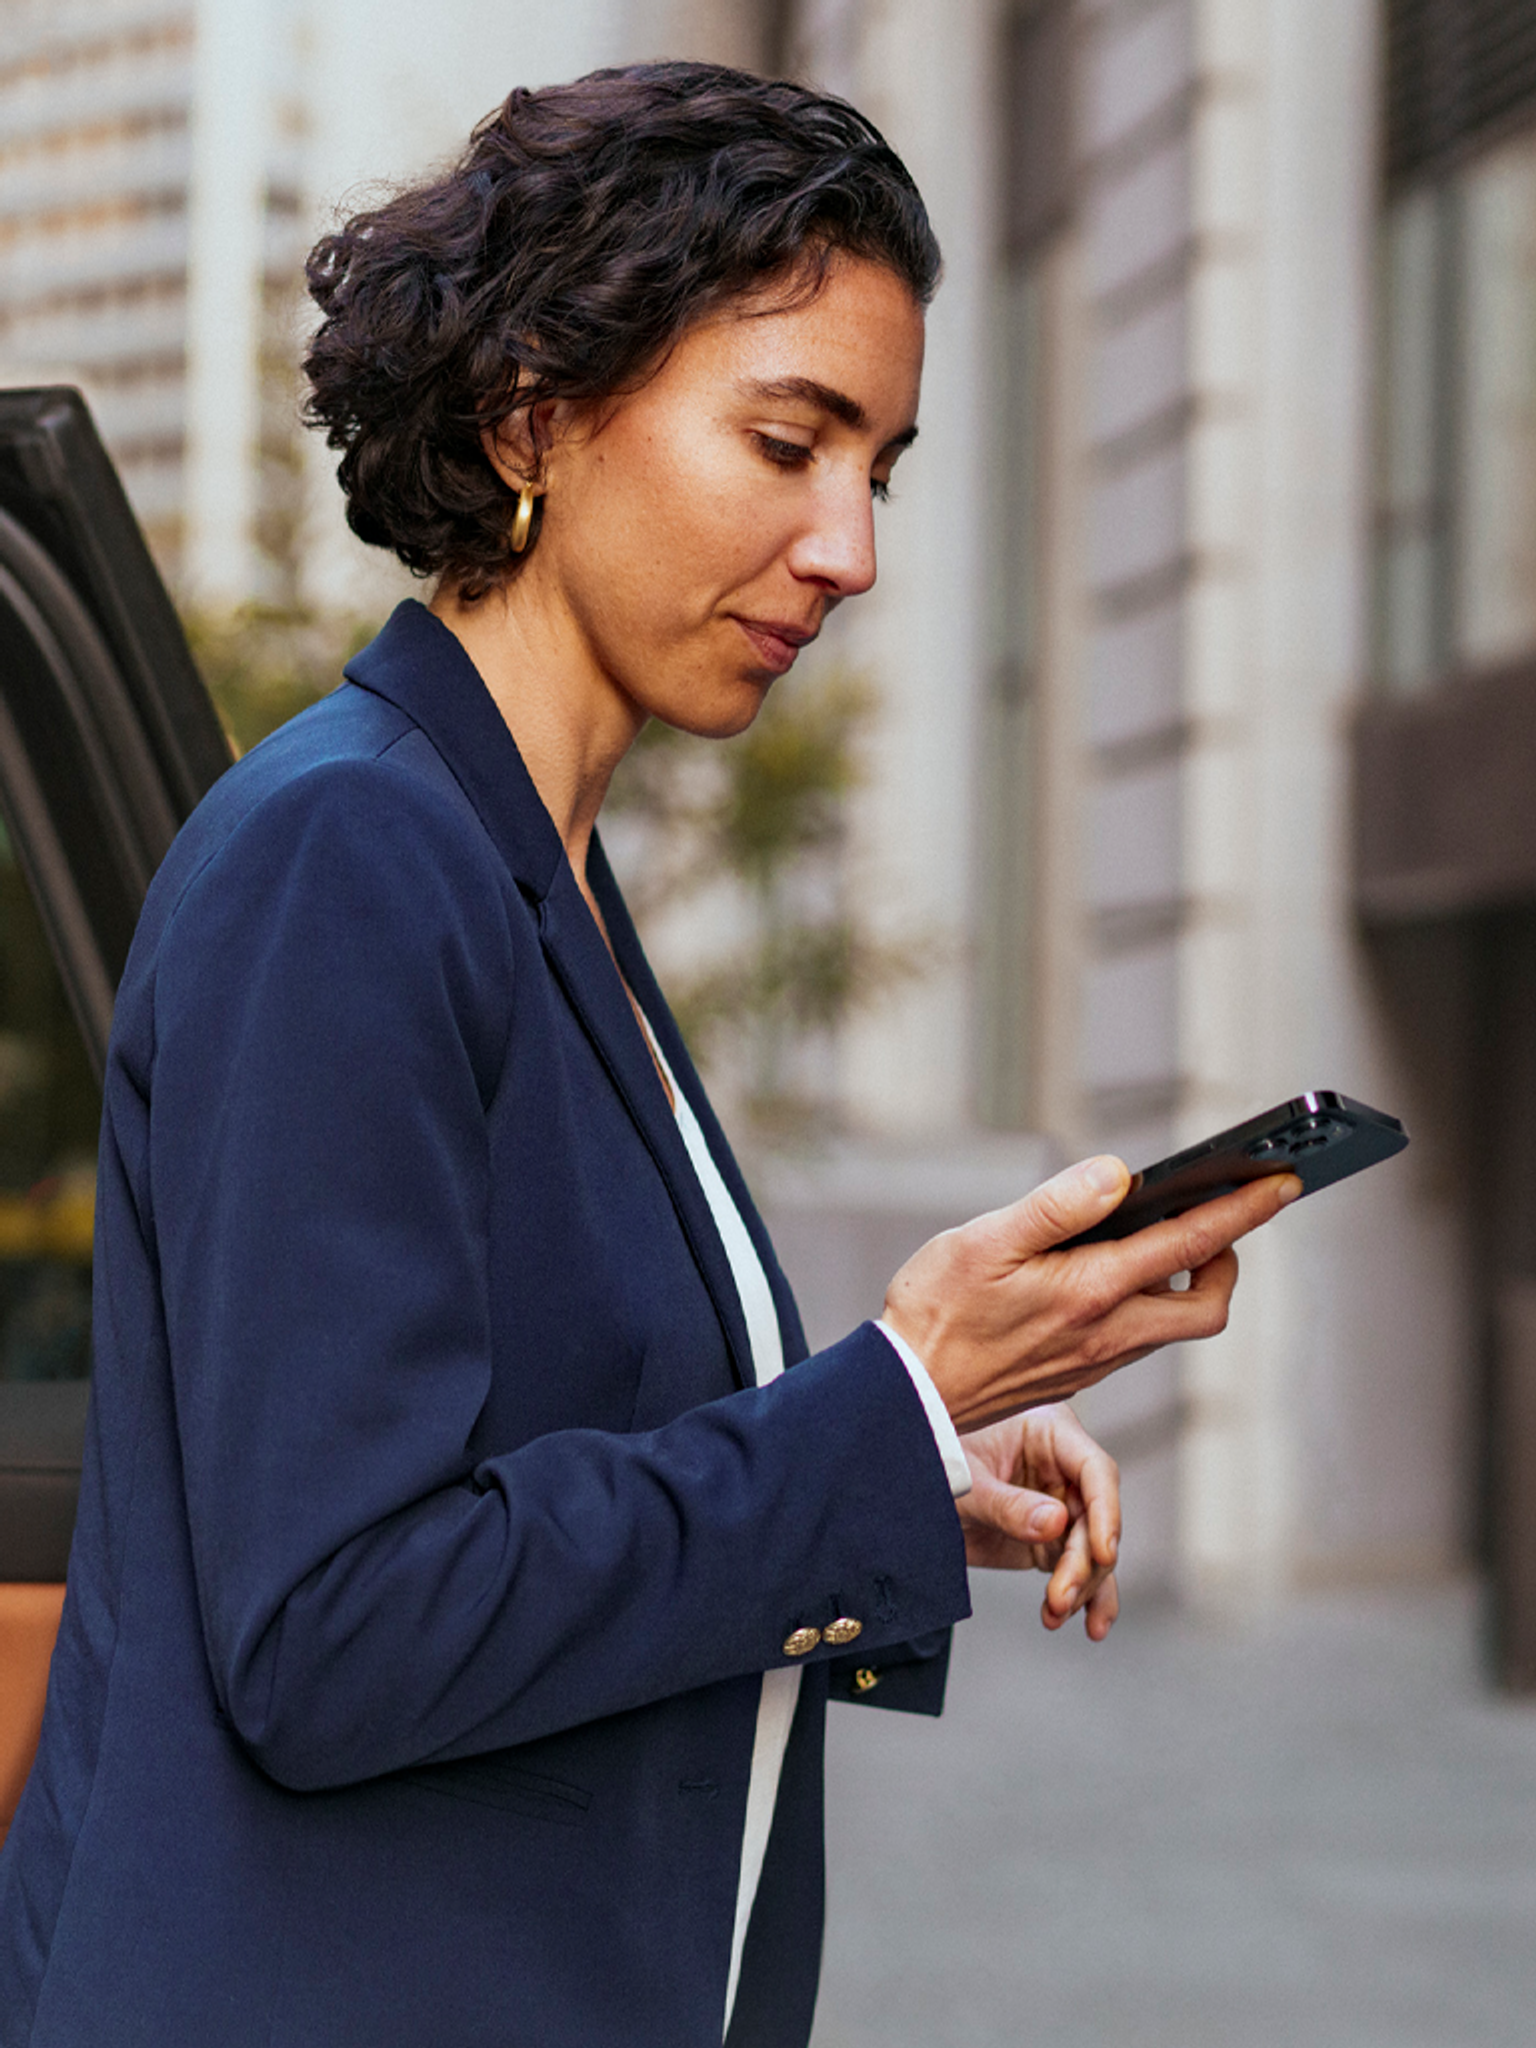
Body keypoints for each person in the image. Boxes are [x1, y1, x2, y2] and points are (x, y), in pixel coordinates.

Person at [0, 61, 1298, 2048]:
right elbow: (333, 1627)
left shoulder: (547, 879)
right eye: (790, 442)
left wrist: (909, 1450)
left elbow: (543, 1449)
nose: (848, 548)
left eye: (882, 466)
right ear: (535, 414)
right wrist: (881, 1398)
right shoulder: (351, 854)